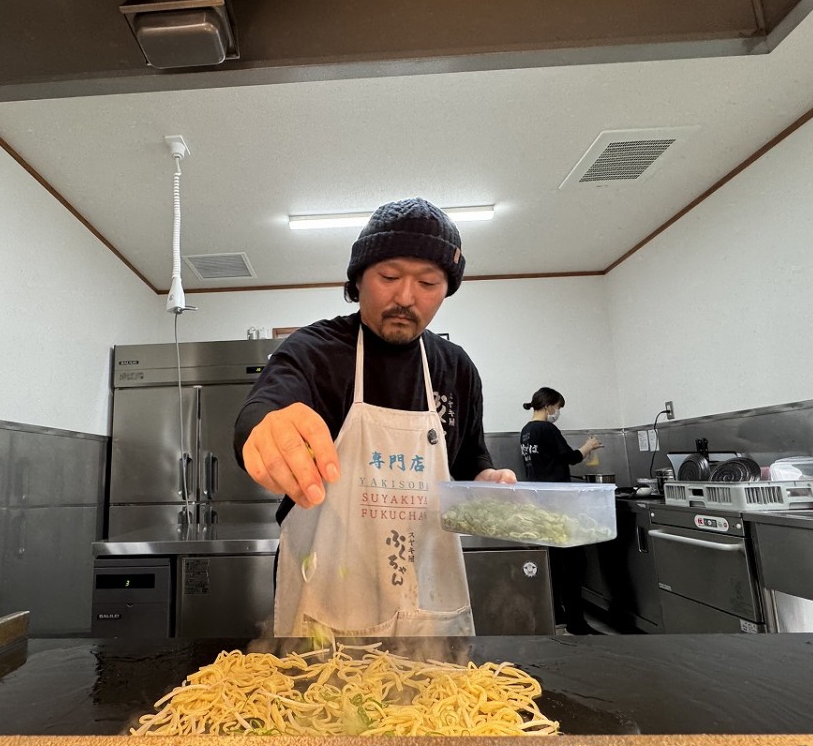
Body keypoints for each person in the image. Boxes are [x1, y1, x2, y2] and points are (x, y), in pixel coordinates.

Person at [234, 197, 516, 638]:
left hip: (426, 604)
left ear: (447, 289)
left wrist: (484, 484)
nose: (406, 297)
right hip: (325, 600)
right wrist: (264, 428)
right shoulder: (314, 351)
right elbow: (263, 411)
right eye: (389, 277)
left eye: (428, 282)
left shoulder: (456, 368)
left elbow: (469, 462)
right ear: (359, 279)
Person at [519, 387, 603, 635]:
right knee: (575, 563)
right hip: (559, 505)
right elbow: (571, 457)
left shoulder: (526, 432)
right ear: (549, 405)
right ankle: (577, 623)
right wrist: (588, 446)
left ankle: (558, 615)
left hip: (541, 504)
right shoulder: (546, 428)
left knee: (554, 563)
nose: (557, 413)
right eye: (558, 407)